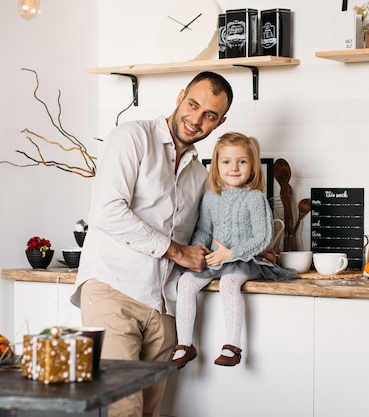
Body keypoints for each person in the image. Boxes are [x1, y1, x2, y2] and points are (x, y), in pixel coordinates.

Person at [70, 71, 233, 417]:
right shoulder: (131, 137)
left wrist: (251, 248)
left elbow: (204, 232)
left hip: (163, 307)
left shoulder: (199, 173)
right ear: (179, 97)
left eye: (210, 115)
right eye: (193, 105)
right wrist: (177, 251)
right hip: (113, 292)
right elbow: (106, 212)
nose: (196, 119)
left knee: (149, 413)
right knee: (124, 412)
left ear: (220, 123)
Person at [171, 132, 297, 370]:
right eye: (226, 161)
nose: (234, 168)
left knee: (229, 283)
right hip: (216, 259)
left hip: (246, 260)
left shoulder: (255, 198)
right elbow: (203, 230)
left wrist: (231, 254)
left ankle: (232, 346)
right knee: (186, 282)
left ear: (253, 166)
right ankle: (185, 344)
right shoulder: (211, 197)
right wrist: (200, 251)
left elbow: (263, 238)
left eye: (242, 161)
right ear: (216, 166)